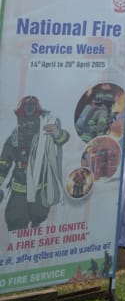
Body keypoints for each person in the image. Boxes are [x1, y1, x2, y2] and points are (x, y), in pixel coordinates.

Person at [0, 96, 68, 230]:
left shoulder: (46, 135)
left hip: (40, 193)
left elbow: (62, 139)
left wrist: (57, 132)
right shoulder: (14, 138)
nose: (29, 124)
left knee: (39, 223)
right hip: (19, 192)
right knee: (16, 222)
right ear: (20, 119)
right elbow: (3, 165)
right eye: (25, 120)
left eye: (32, 120)